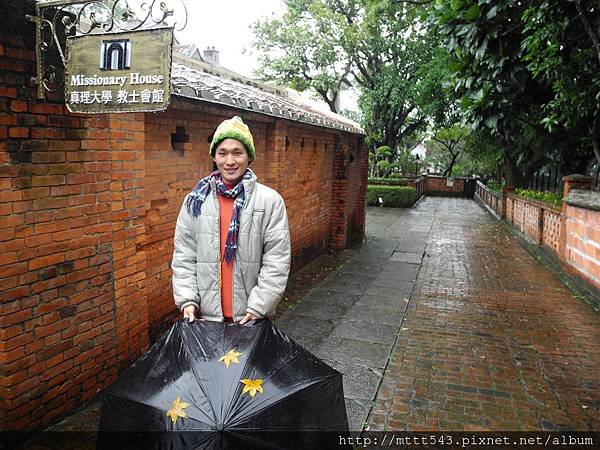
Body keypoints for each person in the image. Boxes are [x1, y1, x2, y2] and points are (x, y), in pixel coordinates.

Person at [171, 116, 291, 324]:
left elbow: (276, 260)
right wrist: (188, 300)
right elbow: (184, 255)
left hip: (250, 318)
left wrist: (258, 306)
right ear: (214, 157)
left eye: (238, 152)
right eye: (222, 153)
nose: (230, 161)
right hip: (205, 318)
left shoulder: (269, 201)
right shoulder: (195, 201)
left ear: (249, 157)